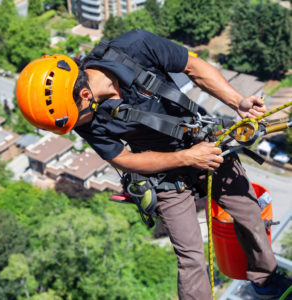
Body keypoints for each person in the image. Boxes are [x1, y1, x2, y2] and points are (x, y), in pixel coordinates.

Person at [16, 30, 291, 300]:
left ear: (85, 94)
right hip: (162, 170)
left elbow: (193, 66)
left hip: (205, 139)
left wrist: (238, 101)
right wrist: (187, 158)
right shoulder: (76, 114)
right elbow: (123, 159)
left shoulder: (135, 46)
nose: (78, 126)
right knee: (191, 257)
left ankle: (265, 279)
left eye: (78, 119)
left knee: (249, 213)